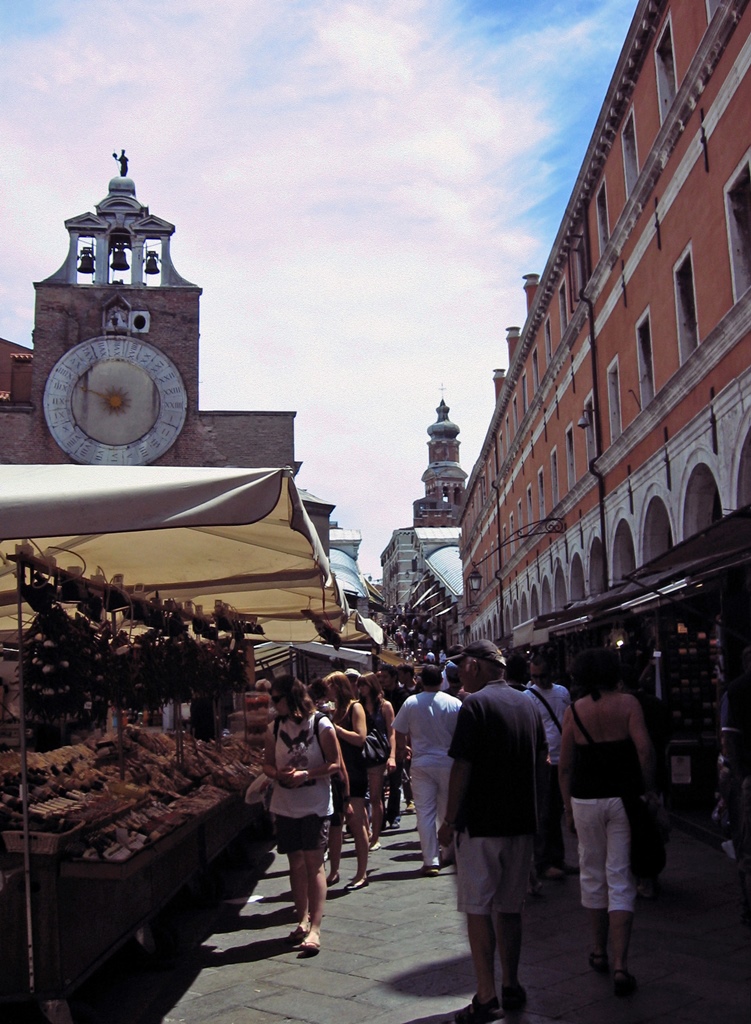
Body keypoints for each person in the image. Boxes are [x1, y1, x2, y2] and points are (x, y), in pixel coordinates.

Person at [438, 640, 548, 1020]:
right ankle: (511, 985)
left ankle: (486, 996)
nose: (459, 672)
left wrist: (449, 821)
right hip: (520, 822)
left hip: (481, 823)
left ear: (474, 665)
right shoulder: (529, 703)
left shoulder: (475, 704)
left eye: (462, 665)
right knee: (510, 908)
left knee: (478, 909)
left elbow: (462, 766)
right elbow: (541, 762)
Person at [558, 648, 657, 996]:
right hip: (622, 796)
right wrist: (649, 790)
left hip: (585, 798)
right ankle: (621, 965)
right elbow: (644, 750)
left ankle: (598, 949)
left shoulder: (574, 711)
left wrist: (567, 808)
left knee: (592, 872)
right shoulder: (629, 705)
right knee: (620, 875)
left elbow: (565, 765)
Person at [263, 675, 340, 956]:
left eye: (276, 699)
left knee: (313, 863)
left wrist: (306, 774)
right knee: (295, 863)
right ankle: (301, 919)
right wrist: (278, 774)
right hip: (285, 805)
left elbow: (335, 763)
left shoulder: (321, 724)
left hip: (315, 804)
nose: (273, 705)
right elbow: (267, 765)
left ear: (291, 698)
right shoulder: (273, 728)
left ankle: (316, 928)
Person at [393, 664, 462, 876]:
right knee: (447, 810)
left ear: (421, 681)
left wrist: (404, 749)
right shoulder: (455, 703)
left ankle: (431, 859)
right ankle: (450, 852)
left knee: (425, 812)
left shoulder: (411, 702)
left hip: (422, 762)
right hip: (449, 762)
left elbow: (399, 730)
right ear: (442, 681)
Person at [524, 654, 575, 881]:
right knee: (544, 813)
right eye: (534, 676)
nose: (538, 681)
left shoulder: (563, 693)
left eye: (542, 676)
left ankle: (557, 858)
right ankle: (543, 862)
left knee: (557, 812)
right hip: (543, 761)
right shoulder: (527, 696)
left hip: (562, 759)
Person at [325, 670, 370, 889]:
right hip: (336, 772)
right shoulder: (332, 710)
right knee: (335, 823)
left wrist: (337, 730)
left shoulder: (355, 707)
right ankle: (334, 870)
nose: (327, 692)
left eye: (330, 687)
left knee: (356, 820)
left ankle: (362, 873)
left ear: (338, 687)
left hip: (354, 769)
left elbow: (361, 738)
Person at [722, 644, 751, 927]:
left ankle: (748, 905)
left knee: (746, 844)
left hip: (748, 775)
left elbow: (729, 737)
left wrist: (739, 774)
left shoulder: (737, 689)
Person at [357, 673, 396, 850]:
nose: (361, 689)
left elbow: (392, 732)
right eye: (360, 686)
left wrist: (392, 755)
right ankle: (365, 831)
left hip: (377, 755)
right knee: (359, 798)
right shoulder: (358, 706)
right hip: (359, 754)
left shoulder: (385, 706)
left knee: (375, 796)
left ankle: (375, 836)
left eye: (364, 685)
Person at [377, 663, 408, 829]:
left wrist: (404, 745)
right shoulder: (378, 697)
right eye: (380, 678)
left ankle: (394, 815)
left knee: (395, 783)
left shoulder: (402, 695)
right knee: (379, 783)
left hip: (398, 741)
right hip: (381, 744)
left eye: (385, 677)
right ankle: (380, 817)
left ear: (394, 678)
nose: (382, 680)